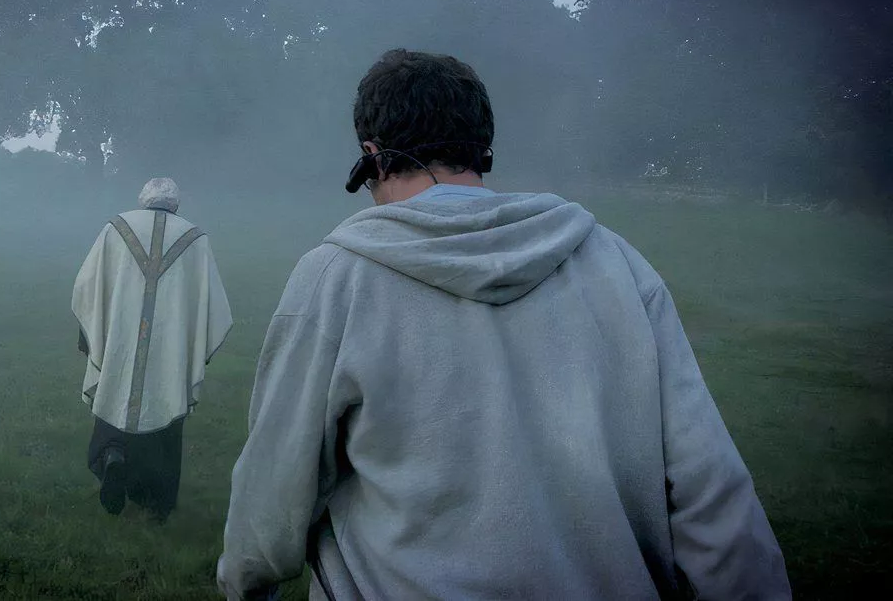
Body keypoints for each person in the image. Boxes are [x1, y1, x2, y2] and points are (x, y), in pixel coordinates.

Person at [216, 50, 790, 600]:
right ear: (481, 147)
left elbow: (278, 477)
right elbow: (706, 481)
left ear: (374, 155)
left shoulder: (335, 278)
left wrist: (249, 579)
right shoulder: (616, 263)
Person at [72, 177, 233, 522]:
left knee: (116, 390)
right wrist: (195, 347)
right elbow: (213, 305)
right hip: (169, 344)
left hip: (121, 338)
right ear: (176, 204)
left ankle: (113, 454)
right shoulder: (195, 238)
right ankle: (156, 504)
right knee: (165, 402)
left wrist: (91, 334)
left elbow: (87, 285)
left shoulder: (117, 228)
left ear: (143, 200)